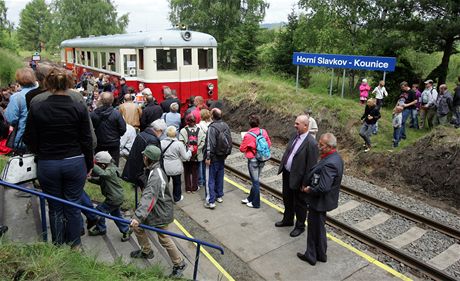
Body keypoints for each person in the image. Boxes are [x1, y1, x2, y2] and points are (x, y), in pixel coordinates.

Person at [23, 67, 93, 249]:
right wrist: (89, 163)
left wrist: (41, 151)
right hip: (75, 161)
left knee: (54, 206)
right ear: (69, 84)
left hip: (48, 163)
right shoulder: (78, 106)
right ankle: (75, 245)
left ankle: (57, 245)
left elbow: (29, 137)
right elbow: (86, 138)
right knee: (73, 205)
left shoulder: (37, 106)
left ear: (48, 84)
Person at [130, 145, 187, 278]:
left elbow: (149, 197)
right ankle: (146, 250)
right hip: (158, 209)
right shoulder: (156, 170)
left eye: (145, 156)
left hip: (160, 212)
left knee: (164, 238)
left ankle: (179, 263)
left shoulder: (155, 176)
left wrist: (137, 217)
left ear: (147, 158)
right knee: (139, 229)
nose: (143, 157)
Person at [297, 133, 343, 266]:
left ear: (329, 147)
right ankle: (321, 254)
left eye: (321, 145)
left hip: (319, 202)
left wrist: (308, 190)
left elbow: (323, 188)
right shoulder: (335, 158)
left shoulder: (330, 164)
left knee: (313, 228)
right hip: (322, 202)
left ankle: (311, 256)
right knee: (319, 228)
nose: (318, 146)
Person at [276, 115, 319, 237]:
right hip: (288, 174)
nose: (295, 126)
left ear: (306, 126)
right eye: (295, 123)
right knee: (287, 198)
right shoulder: (294, 135)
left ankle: (300, 226)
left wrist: (305, 183)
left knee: (300, 203)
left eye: (297, 124)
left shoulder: (311, 143)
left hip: (300, 179)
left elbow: (311, 166)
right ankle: (288, 219)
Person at [87, 151, 132, 242]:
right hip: (115, 198)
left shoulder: (111, 170)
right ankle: (126, 230)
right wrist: (90, 179)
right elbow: (101, 180)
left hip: (114, 199)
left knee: (99, 211)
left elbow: (104, 174)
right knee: (116, 215)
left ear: (103, 165)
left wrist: (91, 163)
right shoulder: (108, 170)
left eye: (98, 165)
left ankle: (101, 229)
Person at [122, 119, 167, 191]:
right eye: (162, 132)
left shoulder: (142, 134)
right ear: (159, 130)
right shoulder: (153, 140)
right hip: (144, 172)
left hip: (135, 168)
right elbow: (153, 158)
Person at [239, 114, 271, 208]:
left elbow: (242, 149)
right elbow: (269, 143)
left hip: (253, 160)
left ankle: (256, 203)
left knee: (255, 182)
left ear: (250, 124)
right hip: (262, 159)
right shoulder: (263, 131)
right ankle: (250, 198)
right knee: (255, 180)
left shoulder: (248, 135)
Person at [204, 108, 232, 209]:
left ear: (212, 116)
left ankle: (210, 201)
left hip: (214, 157)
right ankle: (219, 195)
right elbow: (230, 140)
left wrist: (208, 157)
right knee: (220, 176)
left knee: (210, 179)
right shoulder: (226, 125)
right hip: (222, 156)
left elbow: (210, 144)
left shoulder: (212, 127)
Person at [5, 68, 38, 151]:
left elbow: (11, 119)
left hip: (23, 138)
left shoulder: (16, 97)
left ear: (18, 81)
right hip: (42, 138)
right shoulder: (42, 93)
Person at [91, 92, 126, 166]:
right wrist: (116, 135)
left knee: (98, 161)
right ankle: (114, 174)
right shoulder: (116, 114)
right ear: (112, 101)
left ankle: (98, 174)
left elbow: (90, 129)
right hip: (113, 142)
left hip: (99, 142)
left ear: (101, 101)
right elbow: (123, 129)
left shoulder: (93, 114)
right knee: (114, 163)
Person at [161, 126, 192, 202]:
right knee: (177, 183)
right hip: (176, 166)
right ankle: (177, 197)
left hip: (165, 166)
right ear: (175, 134)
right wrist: (190, 151)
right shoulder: (179, 144)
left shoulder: (161, 142)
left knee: (165, 182)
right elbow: (185, 157)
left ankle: (164, 197)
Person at [179, 114, 206, 193]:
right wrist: (197, 150)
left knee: (187, 171)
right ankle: (194, 188)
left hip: (186, 155)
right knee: (195, 172)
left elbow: (181, 143)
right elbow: (203, 142)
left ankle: (188, 188)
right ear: (195, 121)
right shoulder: (200, 131)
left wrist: (188, 151)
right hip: (197, 155)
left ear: (187, 121)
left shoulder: (183, 131)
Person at [197, 109, 212, 190]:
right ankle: (208, 179)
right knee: (208, 165)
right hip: (210, 147)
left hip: (202, 147)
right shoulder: (212, 125)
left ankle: (201, 181)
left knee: (200, 164)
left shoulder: (199, 126)